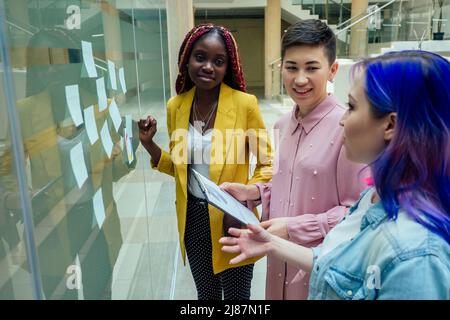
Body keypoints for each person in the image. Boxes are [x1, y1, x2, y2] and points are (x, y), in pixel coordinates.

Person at [220, 50, 450, 299]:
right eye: (291, 67)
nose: (342, 120)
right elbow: (338, 260)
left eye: (351, 107)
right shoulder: (374, 198)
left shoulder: (415, 256)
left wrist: (293, 229)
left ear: (390, 125)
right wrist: (271, 241)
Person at [221, 19, 368, 299]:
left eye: (312, 68)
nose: (300, 79)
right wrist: (252, 192)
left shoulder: (347, 128)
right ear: (281, 69)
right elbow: (283, 187)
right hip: (277, 263)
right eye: (292, 68)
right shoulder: (279, 125)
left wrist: (292, 228)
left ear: (332, 70)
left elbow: (358, 213)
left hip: (317, 268)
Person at [138, 24, 272, 300]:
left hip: (231, 219)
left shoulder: (245, 104)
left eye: (218, 61)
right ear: (187, 59)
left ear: (228, 67)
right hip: (193, 220)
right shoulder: (176, 106)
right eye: (201, 57)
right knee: (207, 297)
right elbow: (180, 169)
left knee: (237, 299)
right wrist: (150, 145)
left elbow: (267, 164)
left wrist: (248, 196)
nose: (208, 66)